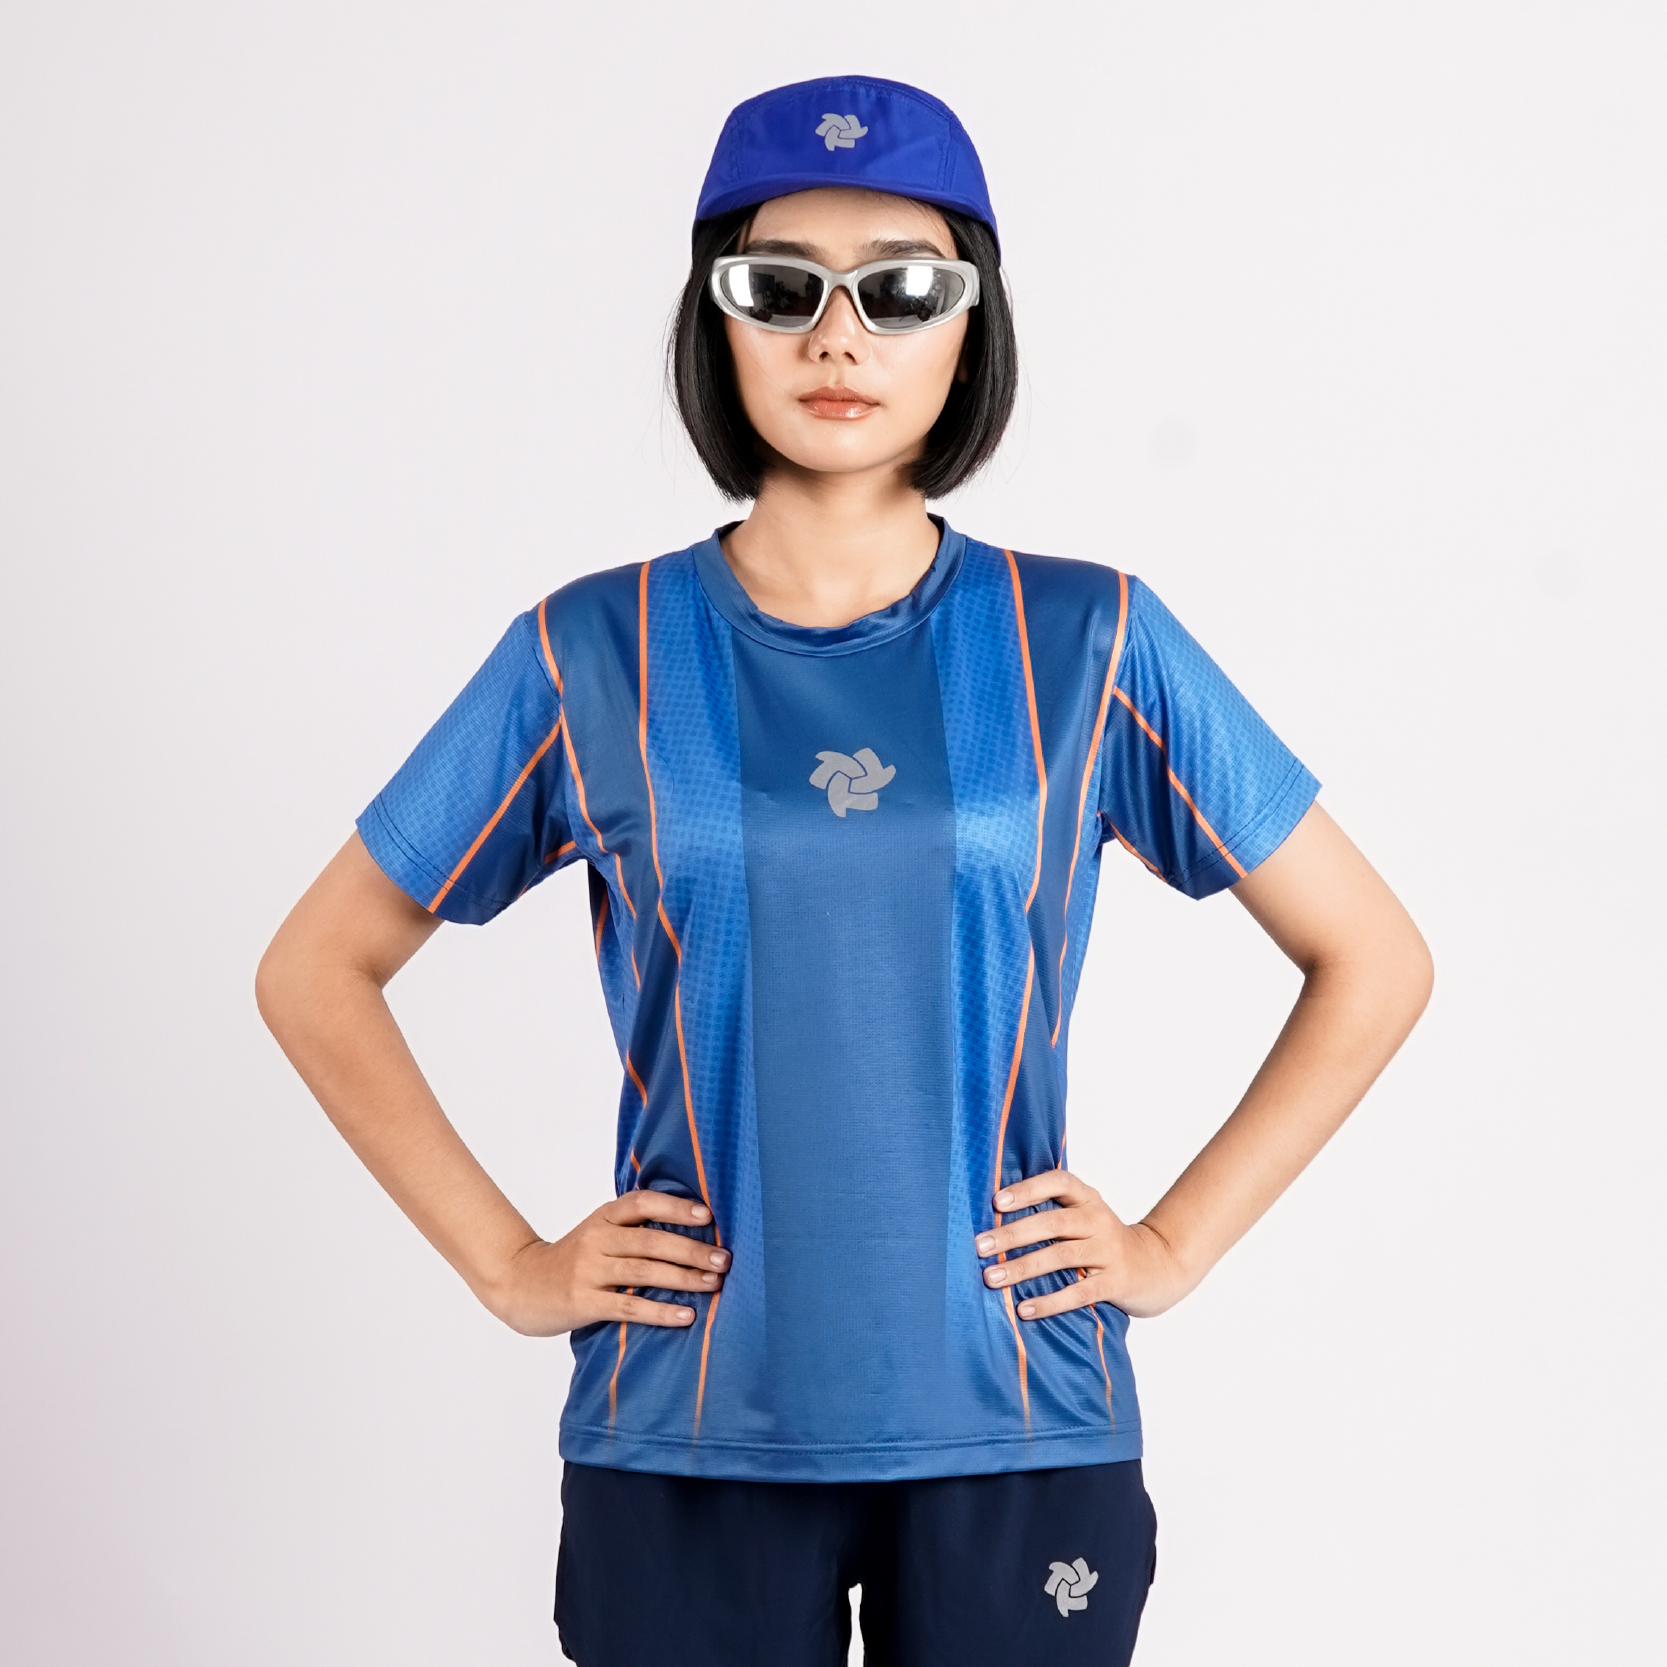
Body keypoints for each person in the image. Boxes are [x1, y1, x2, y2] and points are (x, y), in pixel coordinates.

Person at [256, 74, 1432, 1667]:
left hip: (1018, 1419)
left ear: (969, 324)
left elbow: (1373, 956)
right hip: (686, 1424)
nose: (838, 337)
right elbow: (315, 966)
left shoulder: (1088, 639)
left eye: (900, 290)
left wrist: (1170, 1243)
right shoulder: (590, 651)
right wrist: (509, 1264)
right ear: (715, 317)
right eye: (781, 288)